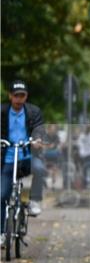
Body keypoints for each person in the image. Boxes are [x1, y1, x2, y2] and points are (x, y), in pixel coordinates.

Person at [2, 79, 46, 231]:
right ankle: (1, 234)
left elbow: (39, 130)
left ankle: (34, 201)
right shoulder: (2, 112)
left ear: (26, 96)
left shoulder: (34, 112)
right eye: (16, 95)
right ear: (10, 96)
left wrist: (37, 140)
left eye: (22, 95)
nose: (19, 99)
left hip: (27, 157)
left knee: (39, 169)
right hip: (7, 159)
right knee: (2, 196)